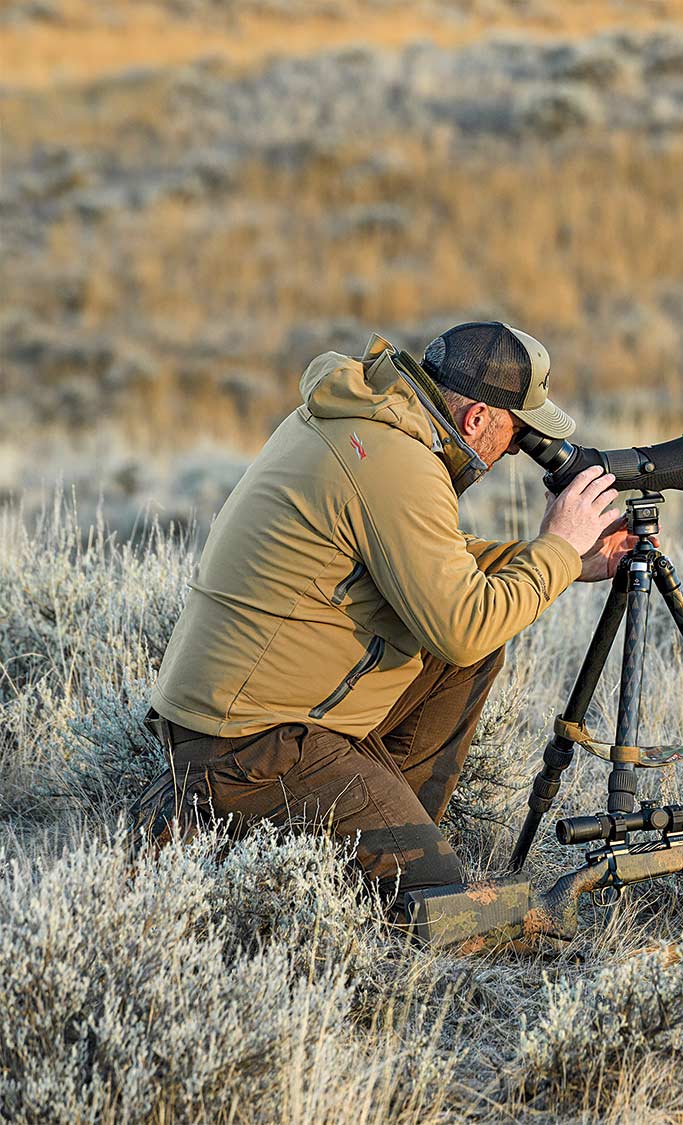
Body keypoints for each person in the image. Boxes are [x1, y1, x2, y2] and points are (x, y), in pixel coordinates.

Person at [133, 321, 626, 898]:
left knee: (468, 651)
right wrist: (557, 548)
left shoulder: (365, 422)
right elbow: (464, 625)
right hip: (253, 745)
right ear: (476, 421)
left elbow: (431, 563)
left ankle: (378, 821)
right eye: (515, 437)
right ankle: (375, 860)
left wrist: (566, 560)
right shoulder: (399, 461)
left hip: (230, 724)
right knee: (433, 896)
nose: (511, 455)